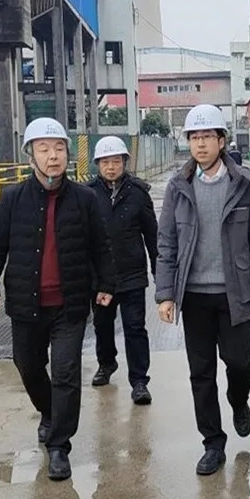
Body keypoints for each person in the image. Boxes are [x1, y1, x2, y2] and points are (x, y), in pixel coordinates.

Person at [0, 117, 117, 482]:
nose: (53, 156)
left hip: (70, 304)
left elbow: (100, 246)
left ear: (68, 154)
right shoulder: (13, 199)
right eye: (44, 149)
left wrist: (106, 283)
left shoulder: (84, 199)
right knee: (28, 365)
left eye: (58, 149)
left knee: (66, 372)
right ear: (31, 156)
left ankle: (59, 447)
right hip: (27, 304)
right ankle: (50, 412)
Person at [155, 103, 250, 476]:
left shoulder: (245, 184)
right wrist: (165, 293)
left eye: (208, 136)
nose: (201, 144)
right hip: (194, 297)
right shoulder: (178, 186)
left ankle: (238, 400)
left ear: (221, 141)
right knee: (201, 372)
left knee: (239, 362)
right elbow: (166, 242)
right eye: (194, 137)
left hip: (235, 293)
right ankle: (212, 443)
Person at [87, 136, 158, 405]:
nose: (111, 167)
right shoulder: (88, 194)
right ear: (97, 164)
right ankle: (106, 363)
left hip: (132, 274)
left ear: (124, 163)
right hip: (100, 277)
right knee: (102, 326)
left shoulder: (138, 193)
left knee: (135, 328)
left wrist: (159, 272)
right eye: (105, 162)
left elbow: (152, 236)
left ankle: (139, 381)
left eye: (116, 161)